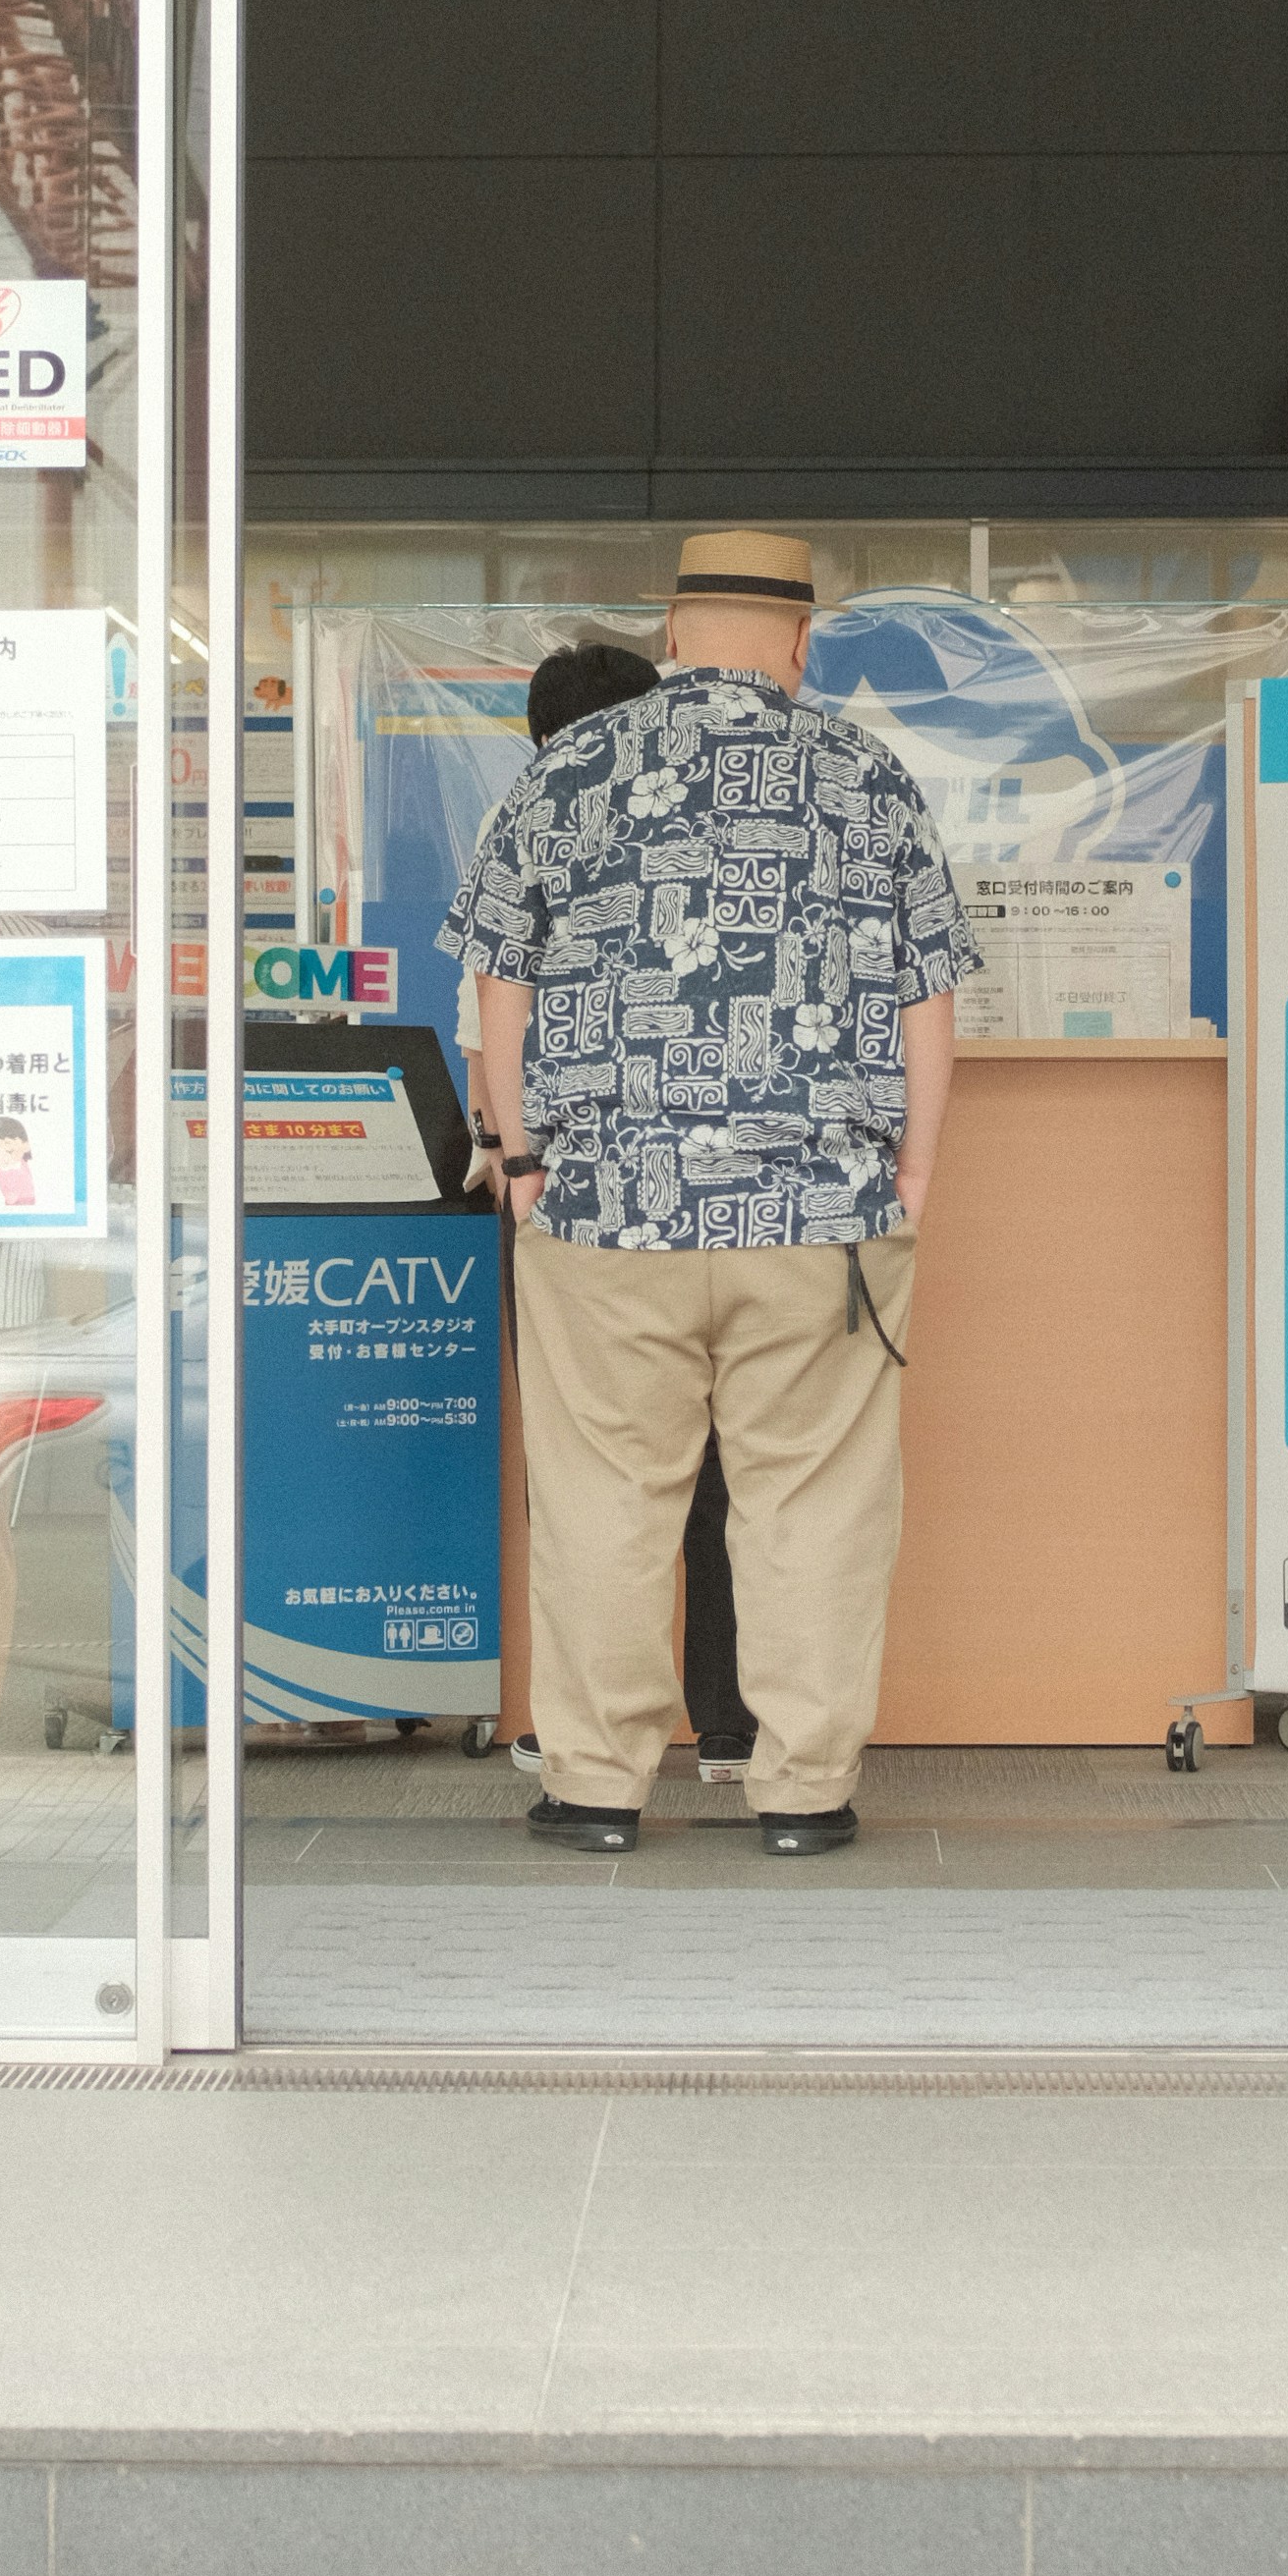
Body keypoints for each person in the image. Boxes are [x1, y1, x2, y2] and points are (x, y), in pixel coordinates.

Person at [450, 524, 971, 1856]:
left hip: (604, 1206)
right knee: (813, 1500)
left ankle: (596, 1785)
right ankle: (801, 1792)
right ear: (802, 646)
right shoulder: (868, 776)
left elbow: (498, 980)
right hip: (821, 1213)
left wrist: (517, 1156)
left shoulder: (565, 772)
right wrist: (910, 1172)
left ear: (672, 635)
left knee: (602, 1495)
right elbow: (926, 995)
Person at [478, 632, 758, 1788]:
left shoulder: (537, 821)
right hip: (739, 1200)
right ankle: (736, 1730)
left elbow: (498, 1011)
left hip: (578, 1203)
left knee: (596, 1481)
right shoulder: (719, 836)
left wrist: (511, 1154)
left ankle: (594, 1740)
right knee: (730, 1479)